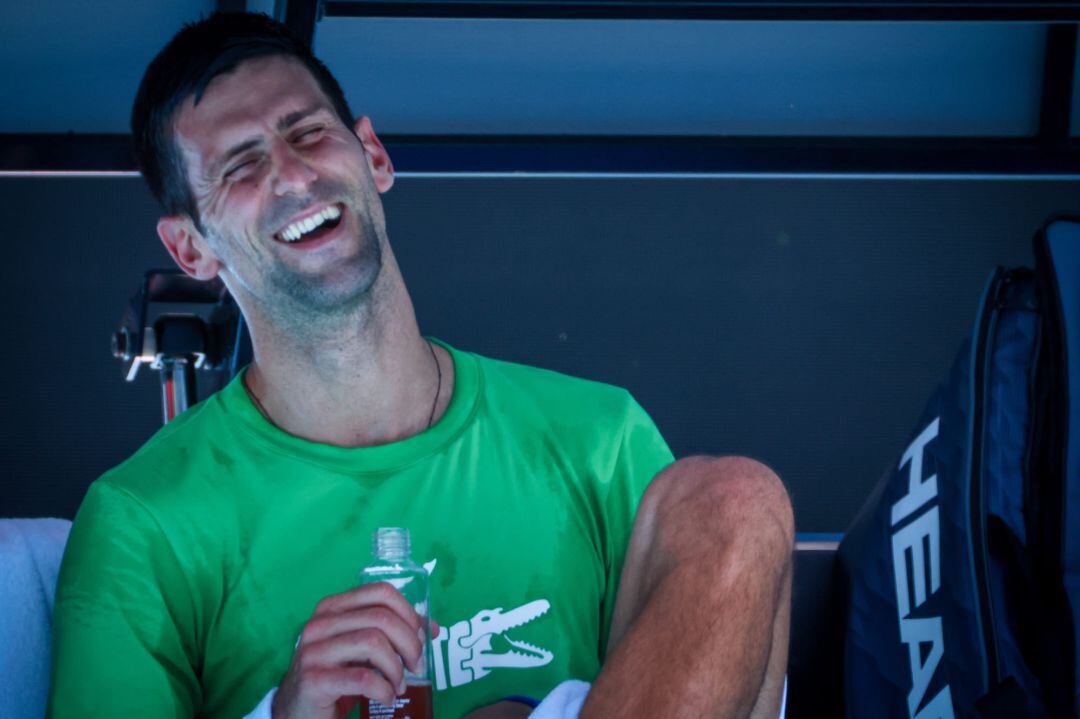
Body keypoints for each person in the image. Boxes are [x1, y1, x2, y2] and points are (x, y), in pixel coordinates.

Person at [46, 12, 793, 719]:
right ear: (191, 249)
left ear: (373, 155)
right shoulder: (140, 520)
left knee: (738, 499)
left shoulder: (598, 437)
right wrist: (285, 710)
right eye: (241, 166)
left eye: (307, 132)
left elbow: (723, 686)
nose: (293, 174)